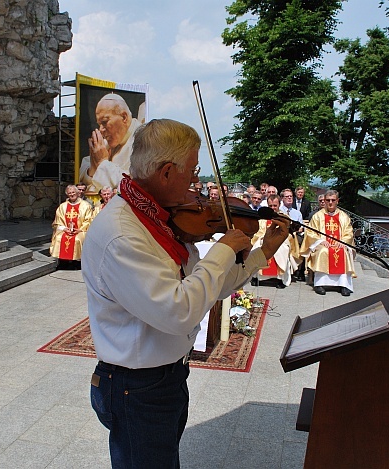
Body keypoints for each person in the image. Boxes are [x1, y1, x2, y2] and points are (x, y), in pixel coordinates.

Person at [82, 119, 289, 468]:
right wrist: (222, 249)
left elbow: (206, 288)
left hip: (166, 376)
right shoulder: (124, 234)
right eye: (192, 172)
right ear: (165, 173)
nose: (197, 185)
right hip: (137, 387)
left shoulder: (158, 218)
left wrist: (261, 254)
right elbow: (178, 313)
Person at [79, 93, 143, 193]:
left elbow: (134, 188)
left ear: (124, 117)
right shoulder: (106, 143)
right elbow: (84, 177)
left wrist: (102, 162)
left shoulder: (145, 140)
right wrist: (93, 166)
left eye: (104, 122)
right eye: (99, 124)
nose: (101, 130)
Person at [300, 189, 355, 296]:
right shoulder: (317, 216)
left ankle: (344, 285)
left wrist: (343, 241)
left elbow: (349, 232)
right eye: (328, 200)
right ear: (324, 201)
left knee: (343, 252)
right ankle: (320, 284)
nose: (330, 202)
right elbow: (310, 233)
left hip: (339, 244)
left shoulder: (344, 216)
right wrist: (321, 241)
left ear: (337, 201)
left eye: (333, 200)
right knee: (323, 252)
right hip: (322, 244)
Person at [50, 184, 93, 270]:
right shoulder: (62, 206)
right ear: (67, 194)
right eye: (69, 193)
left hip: (80, 231)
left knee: (77, 239)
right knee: (59, 238)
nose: (72, 194)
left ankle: (76, 262)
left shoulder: (86, 206)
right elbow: (57, 222)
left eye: (73, 192)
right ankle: (63, 262)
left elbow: (89, 220)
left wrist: (79, 230)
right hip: (65, 230)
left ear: (77, 193)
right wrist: (64, 229)